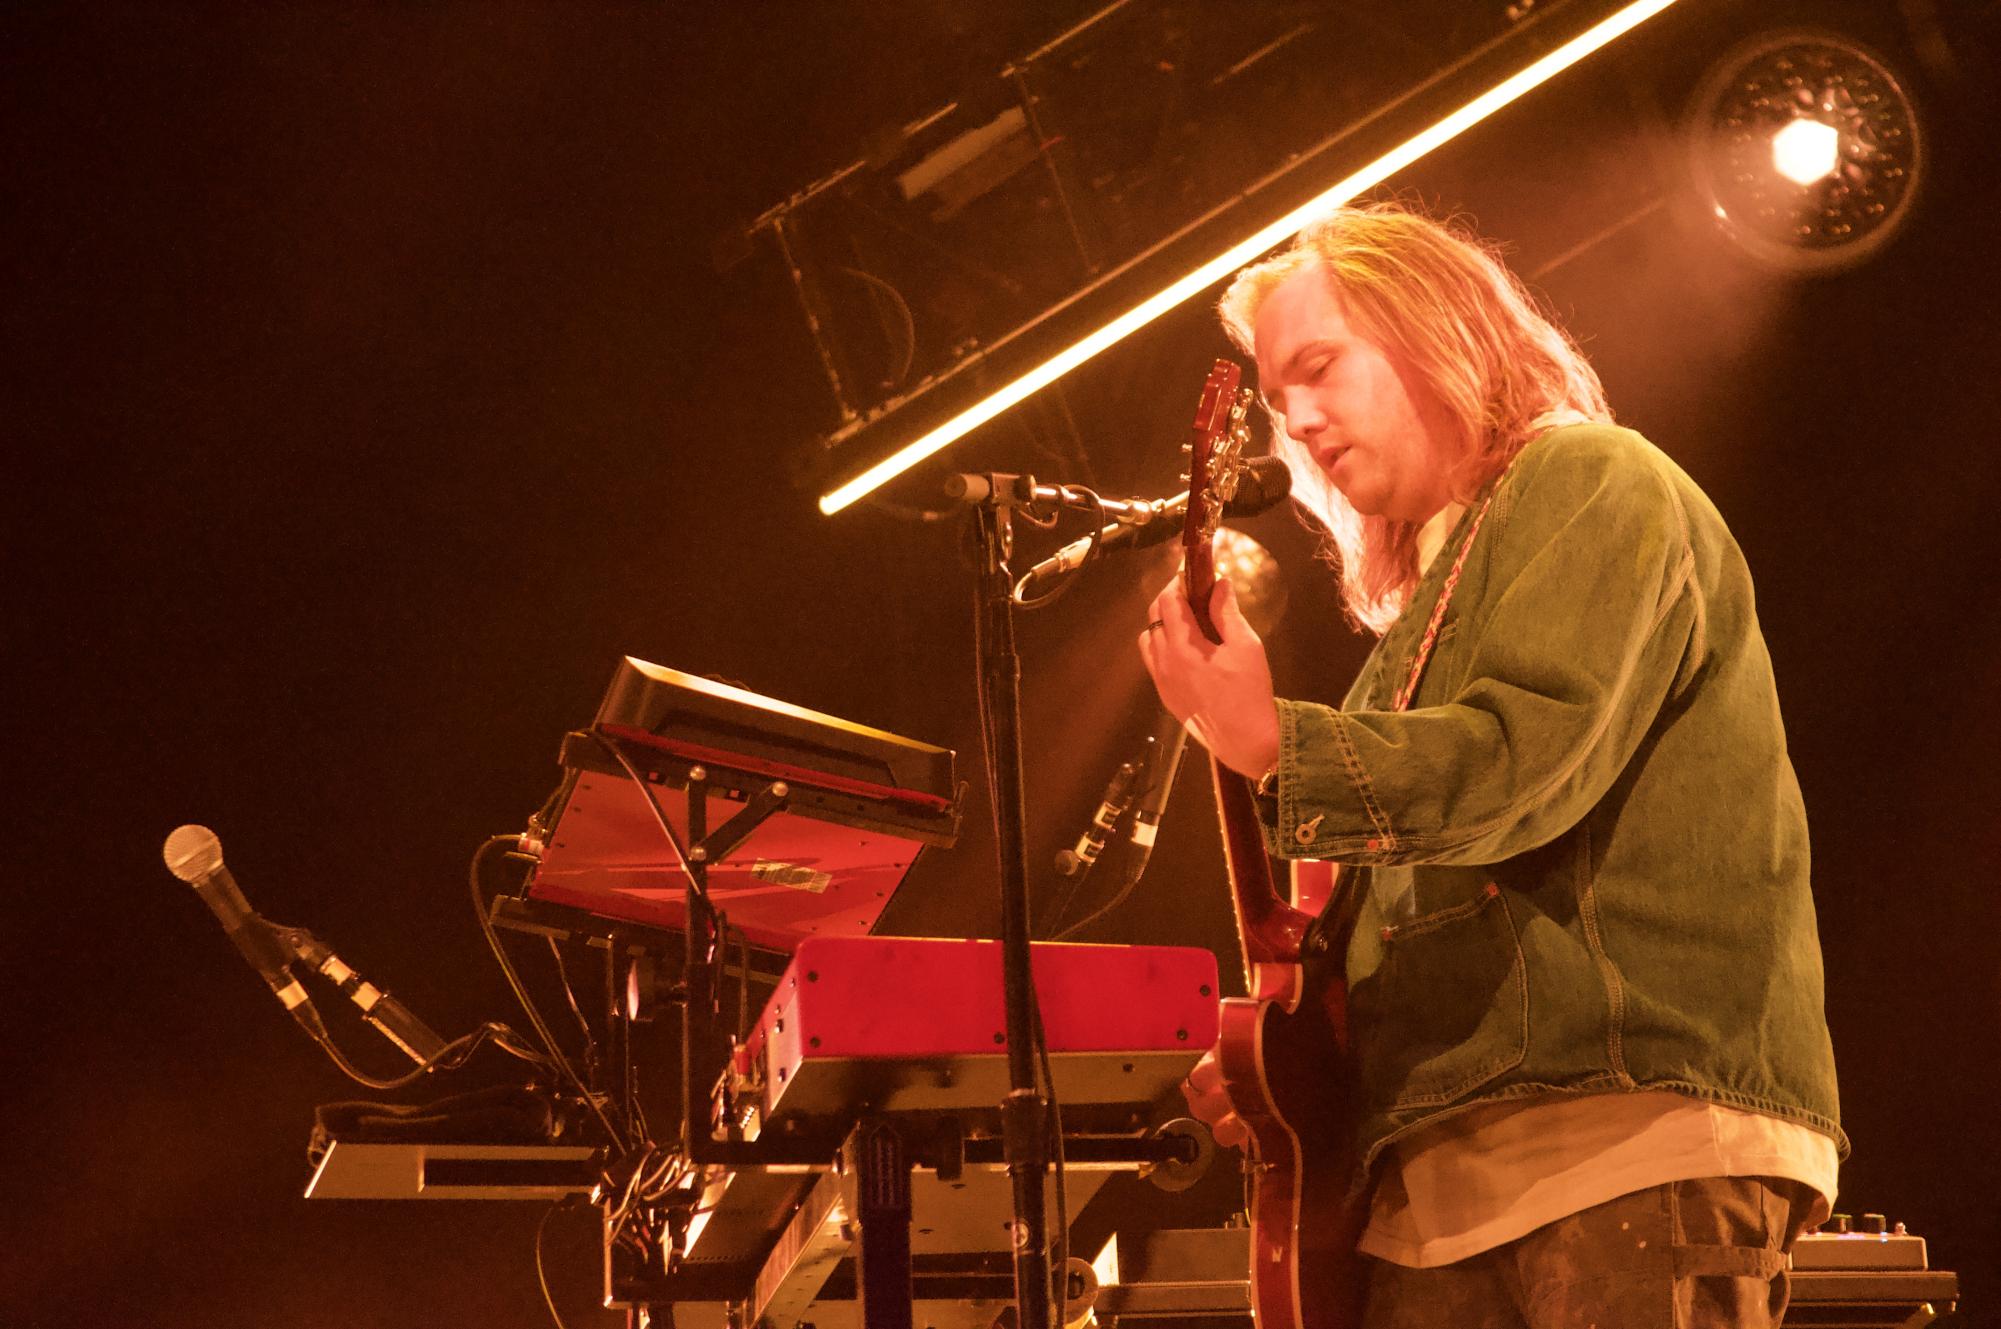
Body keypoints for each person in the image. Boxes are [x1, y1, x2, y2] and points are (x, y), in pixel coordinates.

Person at [1137, 201, 1844, 1328]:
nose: (1301, 420)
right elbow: (1402, 928)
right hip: (1434, 1200)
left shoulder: (1594, 480)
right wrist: (1296, 1076)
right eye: (1277, 402)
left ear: (1434, 327)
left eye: (1319, 368)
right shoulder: (1404, 649)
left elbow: (1520, 765)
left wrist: (1275, 745)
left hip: (1625, 1140)